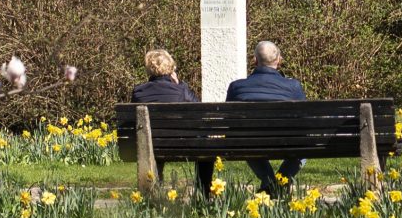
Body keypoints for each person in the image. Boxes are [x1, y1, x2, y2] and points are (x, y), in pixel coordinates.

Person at [130, 48, 219, 199]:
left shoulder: (138, 92)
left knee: (154, 142)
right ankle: (204, 194)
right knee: (206, 145)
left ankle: (152, 193)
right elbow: (200, 112)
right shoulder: (180, 90)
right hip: (182, 146)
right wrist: (180, 84)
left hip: (150, 145)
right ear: (171, 69)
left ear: (148, 69)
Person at [225, 38, 307, 194]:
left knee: (246, 141)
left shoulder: (236, 87)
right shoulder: (293, 86)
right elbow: (304, 121)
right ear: (279, 60)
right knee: (303, 146)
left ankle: (270, 183)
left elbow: (230, 124)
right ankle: (279, 183)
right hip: (286, 142)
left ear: (254, 60)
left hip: (248, 142)